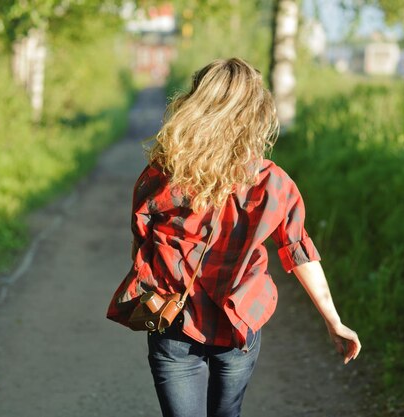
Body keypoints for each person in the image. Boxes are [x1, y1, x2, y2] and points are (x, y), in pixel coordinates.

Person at [107, 57, 361, 417]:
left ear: (195, 105)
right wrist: (333, 320)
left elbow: (141, 238)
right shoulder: (272, 182)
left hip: (172, 321)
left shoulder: (163, 173)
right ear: (255, 114)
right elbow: (298, 250)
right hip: (238, 321)